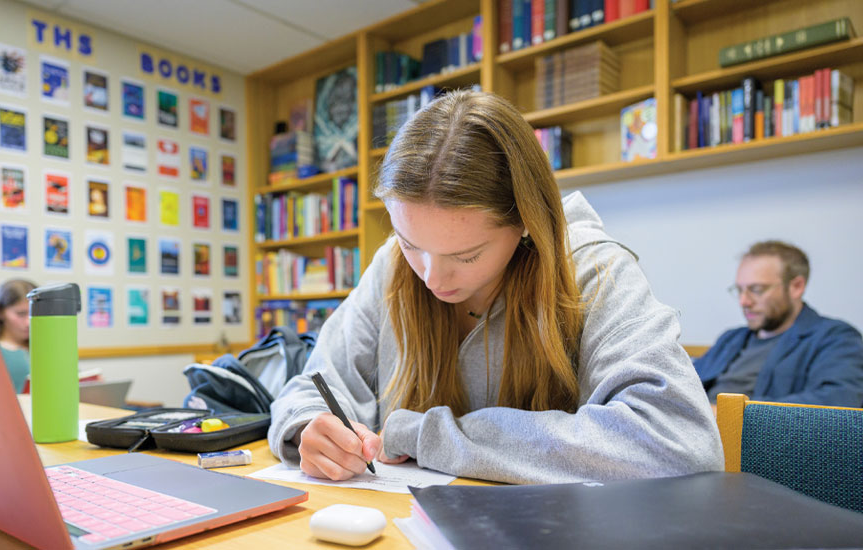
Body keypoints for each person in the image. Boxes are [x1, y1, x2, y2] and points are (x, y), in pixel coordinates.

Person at [266, 90, 723, 484]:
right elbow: (314, 384)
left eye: (466, 256)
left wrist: (429, 436)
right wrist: (308, 427)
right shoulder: (390, 266)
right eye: (411, 244)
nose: (431, 277)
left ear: (525, 221)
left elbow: (678, 444)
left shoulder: (593, 270)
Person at [695, 241, 863, 409]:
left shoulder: (835, 338)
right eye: (740, 290)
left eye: (756, 289)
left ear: (796, 287)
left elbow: (838, 401)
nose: (744, 301)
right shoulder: (731, 338)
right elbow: (686, 387)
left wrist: (728, 414)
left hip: (747, 432)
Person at [0, 279, 36, 393]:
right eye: (21, 314)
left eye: (34, 313)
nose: (29, 323)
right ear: (0, 312)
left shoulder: (47, 348)